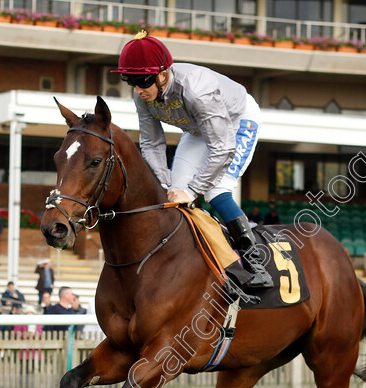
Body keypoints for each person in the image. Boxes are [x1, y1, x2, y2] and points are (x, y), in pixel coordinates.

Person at [115, 32, 272, 288]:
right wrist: (170, 186)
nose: (138, 89)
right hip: (198, 130)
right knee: (173, 195)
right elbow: (152, 143)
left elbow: (221, 147)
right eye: (130, 81)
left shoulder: (198, 90)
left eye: (142, 81)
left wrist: (192, 190)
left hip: (235, 121)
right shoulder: (141, 94)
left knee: (216, 190)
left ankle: (256, 263)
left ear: (163, 74)